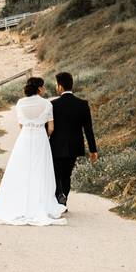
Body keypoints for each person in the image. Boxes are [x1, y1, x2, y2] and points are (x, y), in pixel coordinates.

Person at [0, 76, 67, 226]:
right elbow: (51, 128)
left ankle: (17, 203)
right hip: (40, 138)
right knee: (39, 170)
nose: (44, 89)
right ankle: (39, 203)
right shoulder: (47, 104)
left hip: (24, 138)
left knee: (21, 170)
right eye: (43, 87)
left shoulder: (20, 103)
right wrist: (43, 134)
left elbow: (20, 125)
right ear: (39, 88)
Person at [49, 72, 97, 206]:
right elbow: (88, 129)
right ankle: (63, 201)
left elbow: (48, 127)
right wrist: (93, 150)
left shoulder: (53, 104)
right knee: (66, 175)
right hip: (75, 145)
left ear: (60, 87)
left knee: (56, 173)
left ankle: (59, 196)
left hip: (56, 145)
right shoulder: (82, 104)